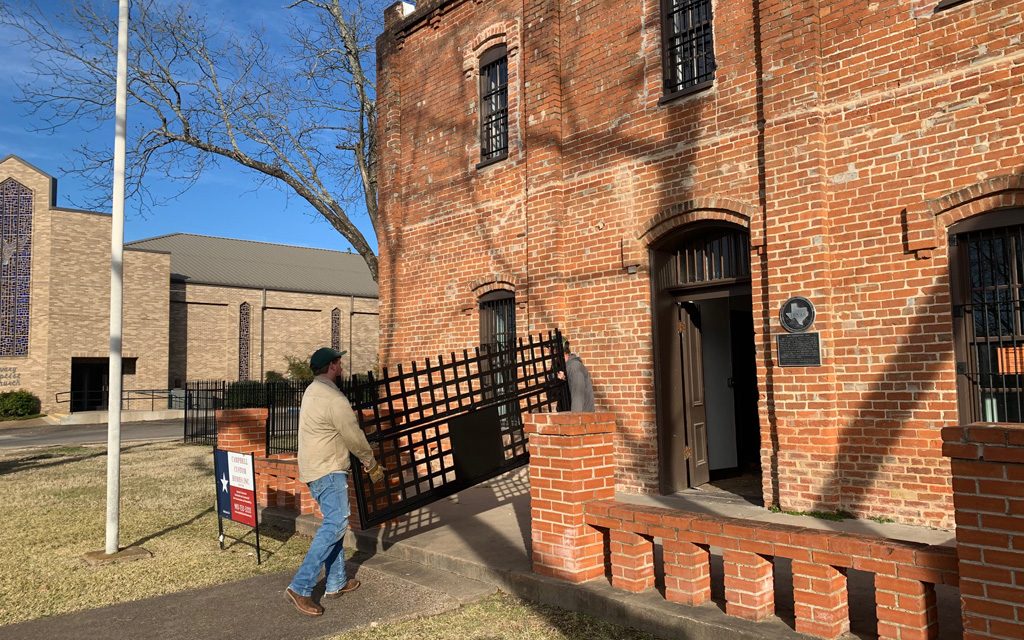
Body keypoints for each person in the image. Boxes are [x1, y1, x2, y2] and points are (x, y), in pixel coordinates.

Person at [285, 347, 385, 617]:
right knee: (336, 522)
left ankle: (336, 581)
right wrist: (371, 463)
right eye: (339, 363)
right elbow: (352, 435)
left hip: (312, 469)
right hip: (329, 470)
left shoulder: (311, 391)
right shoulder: (333, 398)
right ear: (331, 366)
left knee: (334, 523)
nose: (341, 368)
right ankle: (301, 586)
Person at [558, 338, 595, 412]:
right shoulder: (565, 367)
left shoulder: (574, 367)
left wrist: (574, 421)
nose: (549, 352)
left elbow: (577, 398)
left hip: (582, 418)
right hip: (569, 417)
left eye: (551, 349)